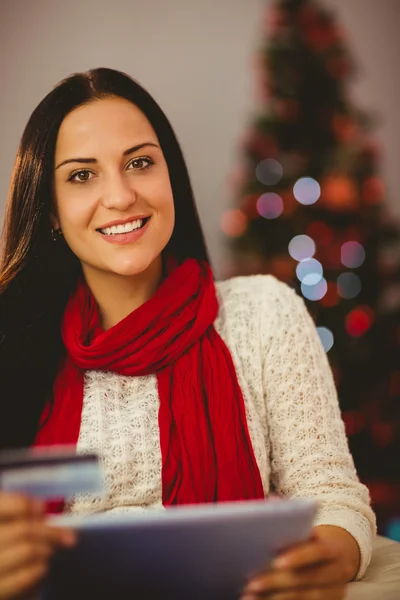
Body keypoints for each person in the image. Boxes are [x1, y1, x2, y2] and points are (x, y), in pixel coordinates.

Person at [0, 67, 375, 600]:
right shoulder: (14, 346)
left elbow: (335, 498)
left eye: (139, 163)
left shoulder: (264, 312)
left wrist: (326, 558)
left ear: (168, 174)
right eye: (82, 175)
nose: (121, 195)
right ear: (52, 211)